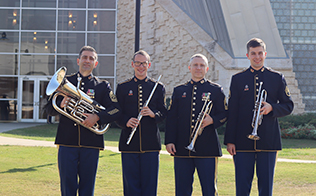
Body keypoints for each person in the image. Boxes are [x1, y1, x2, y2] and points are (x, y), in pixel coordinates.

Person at [46, 45, 120, 196]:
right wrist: (60, 104)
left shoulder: (102, 86)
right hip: (67, 142)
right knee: (67, 186)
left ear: (95, 63)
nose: (87, 61)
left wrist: (98, 116)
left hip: (91, 144)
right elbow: (47, 109)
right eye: (85, 57)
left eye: (91, 58)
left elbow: (116, 109)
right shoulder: (66, 81)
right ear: (78, 60)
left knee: (87, 187)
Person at [224, 38, 294, 196]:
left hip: (268, 141)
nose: (257, 57)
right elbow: (232, 112)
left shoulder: (276, 78)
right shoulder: (237, 79)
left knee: (266, 186)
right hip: (242, 140)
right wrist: (230, 140)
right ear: (247, 55)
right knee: (242, 185)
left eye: (260, 53)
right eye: (253, 53)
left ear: (265, 54)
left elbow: (288, 106)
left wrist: (272, 107)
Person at [165, 54, 227, 196]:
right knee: (182, 190)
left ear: (207, 68)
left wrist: (213, 120)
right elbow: (172, 118)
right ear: (189, 68)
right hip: (181, 146)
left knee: (209, 190)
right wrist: (169, 141)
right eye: (195, 65)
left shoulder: (216, 90)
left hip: (207, 148)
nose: (198, 68)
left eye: (201, 65)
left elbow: (225, 114)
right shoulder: (179, 90)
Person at [116, 50, 167, 196]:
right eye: (137, 63)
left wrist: (153, 114)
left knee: (149, 187)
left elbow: (164, 113)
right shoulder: (123, 87)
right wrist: (126, 121)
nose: (141, 66)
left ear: (149, 65)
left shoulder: (157, 87)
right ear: (132, 64)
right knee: (130, 186)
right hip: (129, 144)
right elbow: (116, 113)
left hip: (150, 144)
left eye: (144, 63)